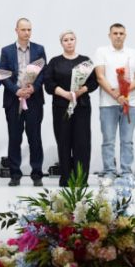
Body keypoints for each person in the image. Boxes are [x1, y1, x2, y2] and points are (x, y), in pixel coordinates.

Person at [43, 30, 97, 186]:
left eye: (71, 39)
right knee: (64, 142)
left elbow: (94, 82)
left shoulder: (85, 61)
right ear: (61, 43)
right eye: (65, 40)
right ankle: (66, 178)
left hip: (81, 107)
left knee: (82, 143)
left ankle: (81, 179)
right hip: (61, 107)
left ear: (76, 40)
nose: (69, 42)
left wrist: (80, 91)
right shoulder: (55, 62)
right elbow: (49, 84)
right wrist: (65, 94)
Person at [93, 23, 135, 185]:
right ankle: (109, 172)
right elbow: (100, 77)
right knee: (108, 140)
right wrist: (116, 95)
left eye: (121, 33)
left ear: (125, 35)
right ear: (109, 35)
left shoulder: (133, 53)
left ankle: (126, 173)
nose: (118, 36)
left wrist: (124, 92)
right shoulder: (101, 52)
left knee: (127, 140)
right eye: (115, 33)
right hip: (108, 104)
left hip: (130, 103)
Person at [0, 18, 46, 186]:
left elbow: (43, 72)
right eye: (23, 30)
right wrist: (16, 90)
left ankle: (37, 174)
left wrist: (34, 88)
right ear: (16, 30)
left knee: (35, 137)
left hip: (34, 100)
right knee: (14, 138)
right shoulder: (7, 51)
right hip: (13, 100)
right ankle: (15, 174)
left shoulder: (39, 49)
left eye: (29, 30)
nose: (27, 33)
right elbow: (3, 74)